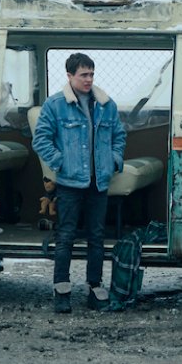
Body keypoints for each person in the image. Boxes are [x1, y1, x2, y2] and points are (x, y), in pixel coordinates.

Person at [33, 53, 127, 313]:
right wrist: (61, 162)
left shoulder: (106, 104)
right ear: (69, 75)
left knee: (97, 236)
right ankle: (61, 289)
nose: (88, 79)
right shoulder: (55, 105)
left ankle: (94, 289)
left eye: (91, 74)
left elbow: (119, 135)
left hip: (99, 181)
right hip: (69, 182)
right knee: (66, 236)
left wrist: (114, 160)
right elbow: (41, 139)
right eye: (83, 75)